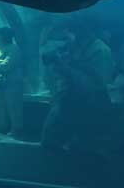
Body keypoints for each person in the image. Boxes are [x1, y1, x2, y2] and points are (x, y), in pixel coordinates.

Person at [40, 20, 114, 155]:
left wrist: (66, 69)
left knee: (84, 150)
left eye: (70, 30)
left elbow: (96, 83)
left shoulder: (100, 50)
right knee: (50, 143)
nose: (68, 34)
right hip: (66, 101)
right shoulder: (72, 46)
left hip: (90, 105)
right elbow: (52, 69)